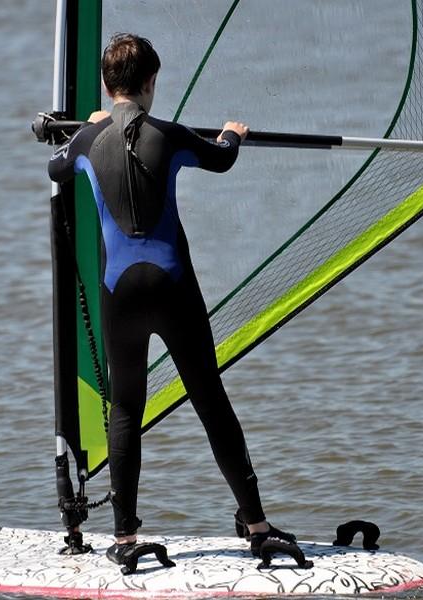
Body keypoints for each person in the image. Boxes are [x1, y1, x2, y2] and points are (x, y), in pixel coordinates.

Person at [47, 33, 295, 567]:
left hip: (120, 290)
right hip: (172, 285)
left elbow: (56, 168)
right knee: (210, 401)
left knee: (125, 410)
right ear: (151, 83)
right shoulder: (172, 134)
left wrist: (89, 127)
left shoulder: (87, 143)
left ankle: (125, 541)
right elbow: (223, 158)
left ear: (107, 86)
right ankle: (256, 526)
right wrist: (232, 134)